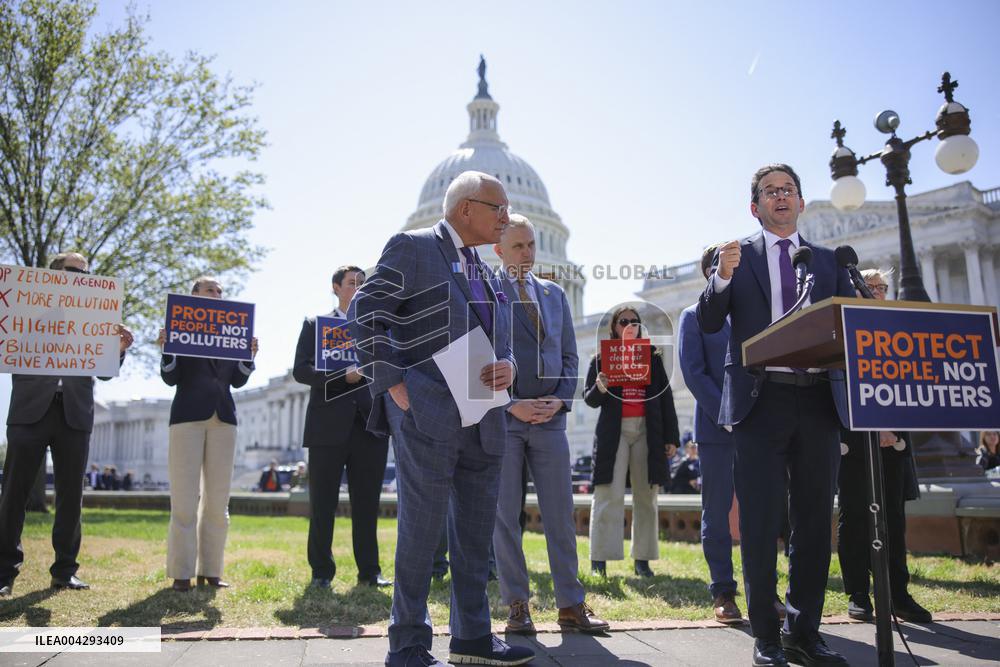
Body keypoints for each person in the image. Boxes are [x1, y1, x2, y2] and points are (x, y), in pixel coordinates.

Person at [349, 171, 533, 667]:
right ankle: (408, 643)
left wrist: (510, 365)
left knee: (475, 534)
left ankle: (472, 636)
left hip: (484, 416)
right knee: (421, 530)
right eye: (498, 208)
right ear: (465, 208)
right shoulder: (412, 248)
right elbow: (365, 314)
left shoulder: (487, 270)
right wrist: (392, 384)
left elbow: (505, 335)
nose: (505, 217)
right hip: (426, 411)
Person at [697, 164, 854, 666]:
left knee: (813, 523)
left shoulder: (829, 262)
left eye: (788, 190)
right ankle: (766, 634)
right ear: (755, 206)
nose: (780, 197)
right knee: (761, 523)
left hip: (817, 401)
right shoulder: (736, 259)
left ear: (802, 203)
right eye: (770, 191)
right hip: (759, 403)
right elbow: (707, 319)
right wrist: (720, 278)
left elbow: (850, 323)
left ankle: (804, 630)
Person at [491, 215, 609, 635]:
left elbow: (571, 358)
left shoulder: (555, 295)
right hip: (505, 421)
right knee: (506, 516)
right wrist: (510, 405)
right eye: (517, 246)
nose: (526, 253)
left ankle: (570, 603)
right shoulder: (485, 295)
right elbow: (476, 362)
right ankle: (517, 604)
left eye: (531, 245)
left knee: (560, 514)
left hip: (550, 421)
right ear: (498, 250)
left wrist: (560, 399)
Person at [0, 251, 134, 598]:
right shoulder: (26, 313)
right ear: (54, 275)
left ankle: (64, 570)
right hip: (30, 410)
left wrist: (118, 349)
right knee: (13, 494)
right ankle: (4, 571)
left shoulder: (97, 319)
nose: (81, 279)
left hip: (75, 413)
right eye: (74, 271)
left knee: (71, 496)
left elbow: (104, 371)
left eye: (86, 274)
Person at [837, 268, 931, 624]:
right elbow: (838, 384)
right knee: (855, 517)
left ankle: (898, 595)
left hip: (893, 442)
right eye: (869, 286)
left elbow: (910, 379)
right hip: (855, 444)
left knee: (893, 518)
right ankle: (858, 594)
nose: (876, 291)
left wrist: (895, 431)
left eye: (881, 287)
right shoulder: (843, 330)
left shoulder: (897, 329)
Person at [158, 275, 258, 593]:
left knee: (217, 500)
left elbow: (238, 382)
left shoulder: (232, 329)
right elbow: (170, 378)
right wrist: (167, 349)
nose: (217, 294)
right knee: (184, 500)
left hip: (223, 418)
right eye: (210, 290)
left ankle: (212, 571)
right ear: (194, 295)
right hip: (187, 418)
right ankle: (181, 573)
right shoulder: (182, 326)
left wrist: (249, 356)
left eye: (220, 290)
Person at [293, 265, 390, 589]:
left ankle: (369, 571)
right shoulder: (314, 325)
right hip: (327, 427)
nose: (359, 287)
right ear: (336, 287)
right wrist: (341, 378)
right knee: (323, 504)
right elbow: (301, 371)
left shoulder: (377, 329)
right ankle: (321, 572)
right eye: (352, 283)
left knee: (367, 504)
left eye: (363, 282)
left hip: (369, 427)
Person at [583, 305, 679, 578]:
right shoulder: (601, 359)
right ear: (614, 326)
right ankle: (599, 558)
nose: (629, 325)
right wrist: (601, 385)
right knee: (607, 493)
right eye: (623, 321)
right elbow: (590, 400)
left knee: (646, 496)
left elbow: (665, 398)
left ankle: (643, 559)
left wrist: (671, 437)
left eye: (634, 322)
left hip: (647, 430)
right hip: (614, 432)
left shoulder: (652, 356)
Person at [679, 242, 743, 622]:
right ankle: (723, 592)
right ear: (712, 272)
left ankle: (764, 592)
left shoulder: (751, 316)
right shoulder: (693, 316)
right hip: (718, 429)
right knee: (717, 512)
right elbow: (694, 374)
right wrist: (729, 413)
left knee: (760, 514)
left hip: (758, 429)